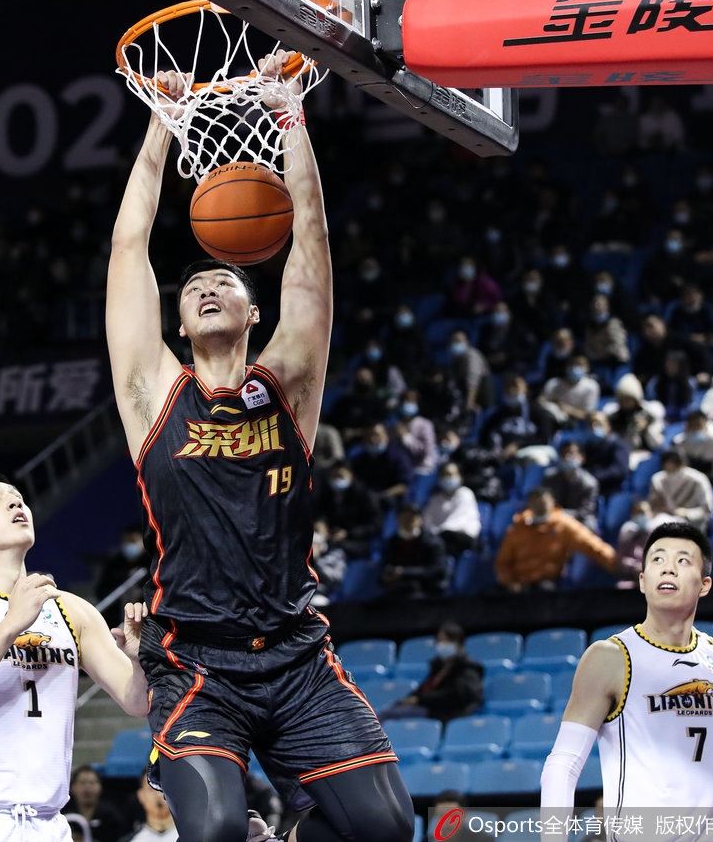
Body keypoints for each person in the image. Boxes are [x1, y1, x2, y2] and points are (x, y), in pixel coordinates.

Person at [105, 63, 412, 842]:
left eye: (225, 282)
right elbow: (129, 246)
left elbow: (312, 245)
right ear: (179, 324)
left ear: (254, 312)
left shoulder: (289, 387)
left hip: (297, 656)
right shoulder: (153, 394)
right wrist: (162, 122)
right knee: (214, 832)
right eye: (193, 289)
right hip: (196, 662)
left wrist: (290, 119)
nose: (208, 287)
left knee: (384, 829)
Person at [540, 523, 713, 837]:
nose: (668, 569)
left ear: (704, 584)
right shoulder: (611, 657)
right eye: (658, 559)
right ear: (642, 581)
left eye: (683, 560)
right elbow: (563, 764)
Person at [0, 471, 150, 841]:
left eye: (18, 497)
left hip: (46, 823)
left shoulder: (73, 610)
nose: (14, 501)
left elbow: (138, 702)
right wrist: (10, 626)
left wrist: (138, 661)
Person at [495, 489, 615, 593]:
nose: (540, 505)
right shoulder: (518, 527)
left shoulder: (562, 524)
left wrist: (616, 564)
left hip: (548, 586)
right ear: (529, 504)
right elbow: (503, 562)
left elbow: (591, 544)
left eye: (544, 502)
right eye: (536, 502)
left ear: (552, 502)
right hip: (519, 587)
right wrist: (510, 583)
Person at [380, 623, 483, 724]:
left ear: (459, 644)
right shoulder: (439, 666)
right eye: (439, 641)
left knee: (388, 714)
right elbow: (425, 687)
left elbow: (455, 696)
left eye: (446, 641)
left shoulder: (468, 668)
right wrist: (409, 699)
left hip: (447, 711)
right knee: (392, 708)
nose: (441, 644)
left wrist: (420, 700)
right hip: (431, 707)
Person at [380, 506, 447, 598]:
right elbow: (386, 566)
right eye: (404, 517)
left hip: (426, 590)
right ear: (397, 520)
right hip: (399, 589)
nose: (407, 520)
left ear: (420, 520)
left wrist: (404, 572)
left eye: (411, 517)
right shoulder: (392, 543)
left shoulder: (433, 542)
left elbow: (438, 570)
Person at [613, 500, 683, 587]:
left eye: (643, 512)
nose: (641, 516)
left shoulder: (657, 535)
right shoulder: (629, 534)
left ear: (650, 513)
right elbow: (622, 560)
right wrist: (635, 567)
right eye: (638, 513)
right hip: (633, 579)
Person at [648, 450, 713, 532]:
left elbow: (707, 510)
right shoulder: (658, 479)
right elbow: (652, 506)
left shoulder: (697, 479)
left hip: (692, 526)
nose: (669, 465)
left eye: (673, 462)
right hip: (663, 520)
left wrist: (687, 513)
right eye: (667, 462)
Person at [423, 463, 482, 554]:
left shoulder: (465, 494)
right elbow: (428, 521)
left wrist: (437, 533)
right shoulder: (435, 498)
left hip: (462, 536)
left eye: (451, 474)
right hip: (439, 537)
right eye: (444, 475)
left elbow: (457, 521)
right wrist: (433, 533)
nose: (448, 478)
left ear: (460, 477)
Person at [541, 442, 601, 532]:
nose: (567, 457)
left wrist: (562, 514)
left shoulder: (589, 483)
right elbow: (544, 501)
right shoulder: (549, 477)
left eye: (572, 453)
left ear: (582, 457)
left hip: (577, 519)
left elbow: (585, 511)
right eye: (564, 453)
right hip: (553, 516)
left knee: (590, 523)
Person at [65, 765, 128, 842]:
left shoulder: (111, 816)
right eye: (82, 783)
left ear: (100, 787)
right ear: (72, 787)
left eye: (92, 783)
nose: (87, 787)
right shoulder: (64, 815)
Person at [538, 356, 600, 428]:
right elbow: (541, 401)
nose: (575, 368)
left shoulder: (591, 386)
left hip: (577, 423)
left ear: (587, 368)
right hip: (551, 417)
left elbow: (588, 415)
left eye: (580, 365)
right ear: (567, 367)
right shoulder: (554, 383)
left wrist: (569, 410)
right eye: (573, 364)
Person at [581, 413, 630, 496]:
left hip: (614, 491)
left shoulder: (618, 445)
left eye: (598, 423)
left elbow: (620, 470)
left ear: (608, 426)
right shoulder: (590, 446)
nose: (594, 427)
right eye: (591, 424)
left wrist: (594, 475)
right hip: (593, 489)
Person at [119, 777, 177, 842]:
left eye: (163, 788)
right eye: (152, 788)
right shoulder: (130, 840)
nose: (158, 794)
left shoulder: (185, 837)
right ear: (141, 795)